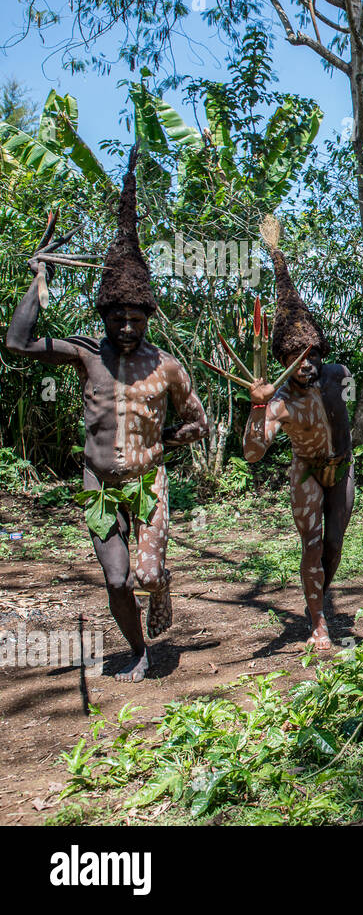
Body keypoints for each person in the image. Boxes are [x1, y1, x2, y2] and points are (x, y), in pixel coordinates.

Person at [5, 147, 209, 681]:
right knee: (118, 581)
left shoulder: (167, 366)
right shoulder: (83, 354)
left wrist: (168, 438)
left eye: (134, 317)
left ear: (147, 317)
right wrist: (39, 274)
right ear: (104, 314)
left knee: (146, 573)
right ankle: (140, 649)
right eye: (115, 315)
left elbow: (199, 421)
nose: (124, 326)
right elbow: (17, 342)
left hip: (148, 481)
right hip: (98, 484)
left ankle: (161, 582)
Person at [242, 217, 353, 651]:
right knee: (311, 546)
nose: (304, 363)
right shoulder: (279, 400)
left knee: (334, 547)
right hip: (306, 473)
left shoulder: (339, 375)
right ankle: (319, 624)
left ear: (320, 351)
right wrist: (256, 407)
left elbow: (348, 413)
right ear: (282, 360)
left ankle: (319, 597)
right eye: (293, 356)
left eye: (309, 354)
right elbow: (253, 453)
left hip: (342, 470)